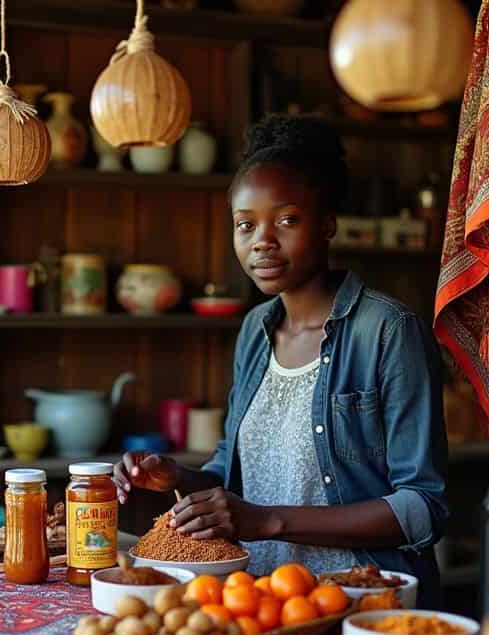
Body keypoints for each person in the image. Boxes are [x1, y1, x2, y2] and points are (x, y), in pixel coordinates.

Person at [113, 115, 450, 605]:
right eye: (245, 225)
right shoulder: (255, 330)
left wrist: (268, 520)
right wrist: (178, 479)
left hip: (360, 604)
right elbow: (233, 473)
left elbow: (424, 507)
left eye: (287, 219)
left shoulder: (388, 331)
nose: (262, 241)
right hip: (263, 603)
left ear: (328, 223)